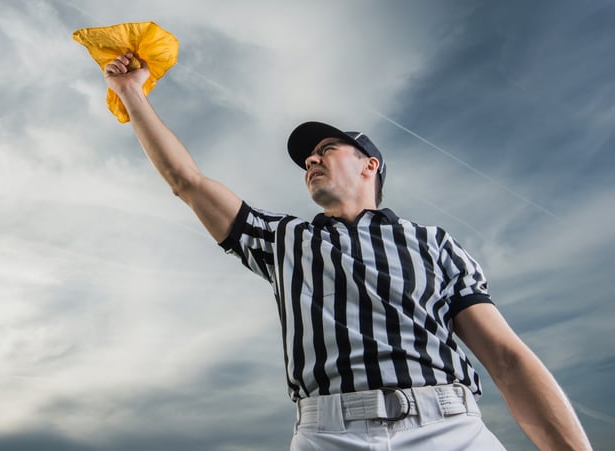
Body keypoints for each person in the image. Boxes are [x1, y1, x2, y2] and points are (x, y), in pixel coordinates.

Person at [104, 52, 592, 450]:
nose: (311, 159)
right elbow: (186, 181)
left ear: (369, 166)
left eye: (327, 149)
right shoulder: (284, 240)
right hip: (328, 435)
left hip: (448, 429)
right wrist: (131, 93)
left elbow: (506, 358)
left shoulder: (434, 243)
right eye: (306, 158)